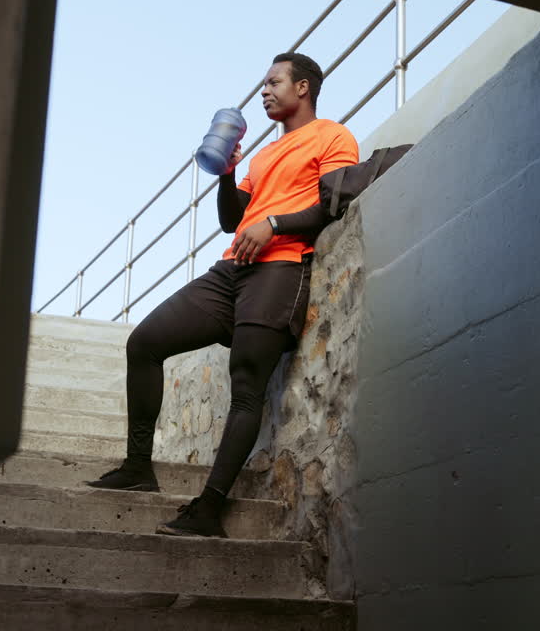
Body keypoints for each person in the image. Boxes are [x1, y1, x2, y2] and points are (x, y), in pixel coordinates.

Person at [85, 52, 359, 538]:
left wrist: (274, 223)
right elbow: (234, 221)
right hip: (231, 270)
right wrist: (229, 174)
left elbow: (331, 206)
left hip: (280, 267)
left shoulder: (333, 137)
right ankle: (137, 468)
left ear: (303, 88)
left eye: (274, 82)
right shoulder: (264, 154)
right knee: (144, 342)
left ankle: (209, 510)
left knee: (246, 388)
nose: (264, 90)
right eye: (264, 83)